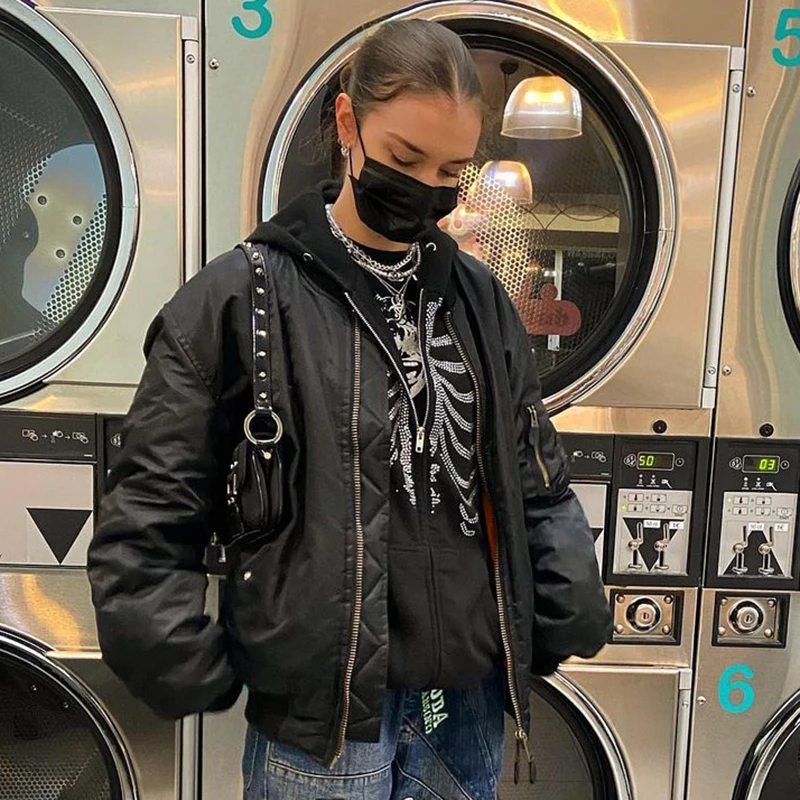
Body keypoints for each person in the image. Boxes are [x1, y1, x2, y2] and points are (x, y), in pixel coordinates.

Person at [87, 19, 612, 800]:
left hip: (467, 706)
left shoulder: (479, 301)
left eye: (452, 170)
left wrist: (568, 600)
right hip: (328, 723)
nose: (427, 187)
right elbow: (154, 497)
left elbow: (533, 472)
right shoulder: (243, 298)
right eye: (404, 157)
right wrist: (169, 646)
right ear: (346, 124)